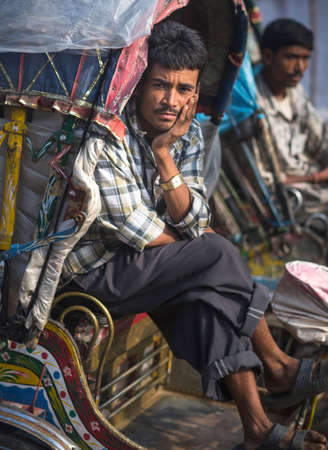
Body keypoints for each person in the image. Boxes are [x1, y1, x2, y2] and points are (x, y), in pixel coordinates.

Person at [59, 20, 328, 449]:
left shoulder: (187, 135)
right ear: (140, 82)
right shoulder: (108, 134)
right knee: (214, 253)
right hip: (96, 270)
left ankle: (256, 426)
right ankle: (276, 366)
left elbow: (195, 214)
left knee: (207, 298)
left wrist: (164, 155)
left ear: (196, 93)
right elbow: (139, 231)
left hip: (149, 267)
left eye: (184, 90)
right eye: (161, 86)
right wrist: (196, 240)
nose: (172, 101)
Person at [256, 18, 328, 222]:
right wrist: (313, 178)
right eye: (291, 57)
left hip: (313, 183)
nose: (300, 67)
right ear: (268, 57)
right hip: (287, 195)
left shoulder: (296, 93)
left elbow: (321, 142)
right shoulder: (253, 106)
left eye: (305, 59)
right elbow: (264, 181)